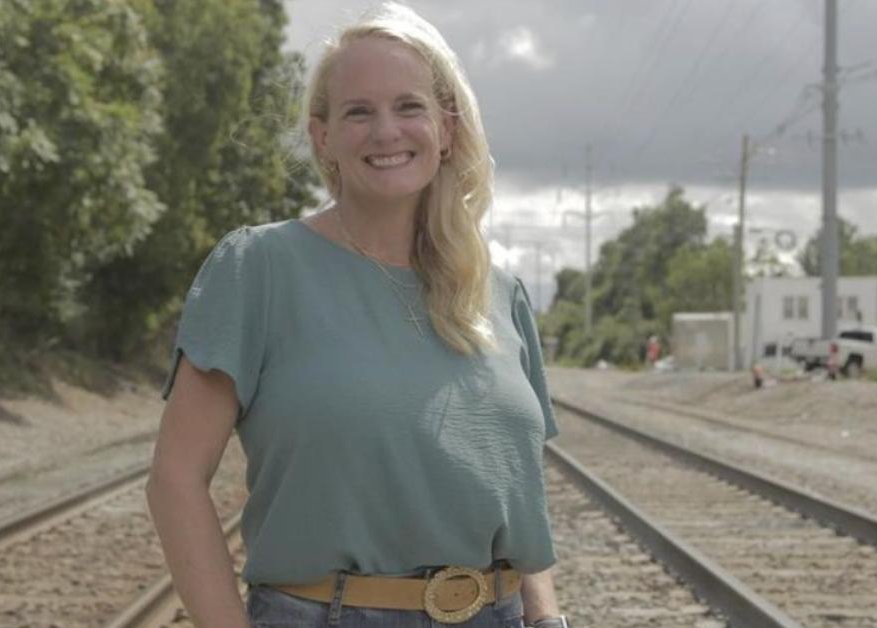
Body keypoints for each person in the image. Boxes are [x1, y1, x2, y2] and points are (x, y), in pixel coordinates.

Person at [145, 4, 567, 627]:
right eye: (358, 112)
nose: (385, 131)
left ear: (447, 127)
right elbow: (175, 478)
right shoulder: (259, 267)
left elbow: (514, 490)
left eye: (409, 106)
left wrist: (548, 618)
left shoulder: (499, 292)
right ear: (323, 136)